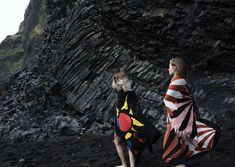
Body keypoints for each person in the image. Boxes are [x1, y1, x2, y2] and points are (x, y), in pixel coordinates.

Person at [162, 57, 220, 167]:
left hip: (178, 124)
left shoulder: (178, 82)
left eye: (169, 66)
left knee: (171, 156)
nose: (168, 69)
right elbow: (187, 100)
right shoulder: (179, 80)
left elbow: (167, 99)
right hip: (179, 122)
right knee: (174, 155)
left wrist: (175, 116)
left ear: (175, 68)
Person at [112, 70, 160, 167]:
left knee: (117, 141)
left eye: (116, 81)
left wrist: (119, 125)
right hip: (132, 121)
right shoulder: (131, 92)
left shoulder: (121, 93)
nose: (115, 84)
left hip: (123, 122)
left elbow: (120, 111)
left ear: (118, 82)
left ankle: (124, 164)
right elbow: (136, 108)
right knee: (131, 144)